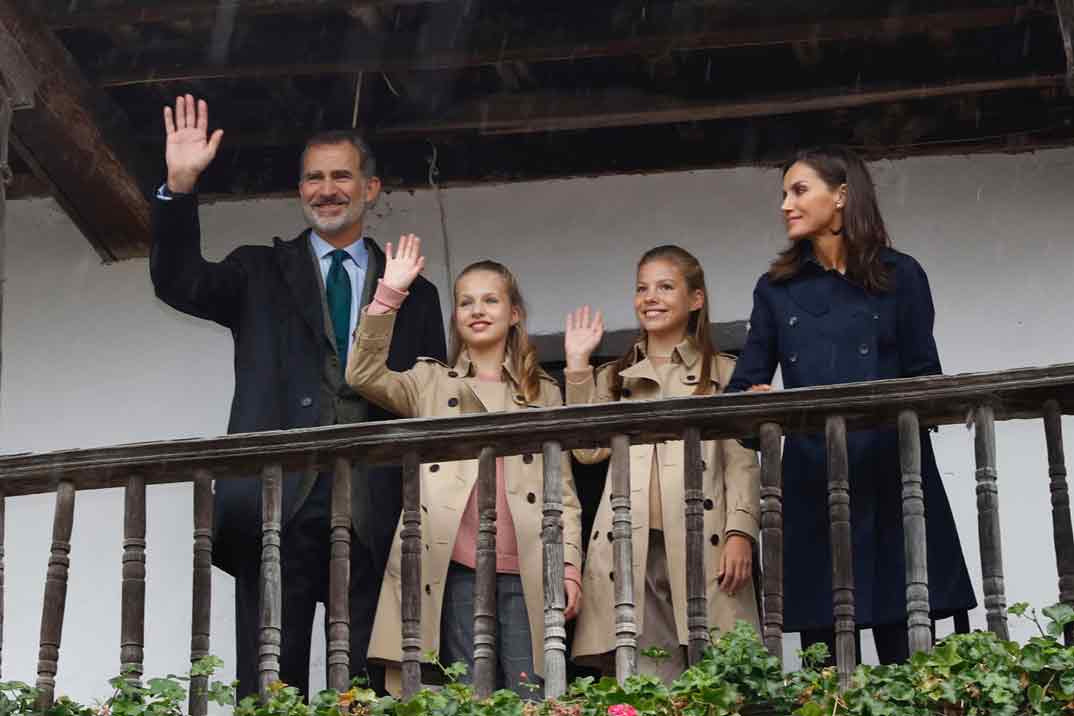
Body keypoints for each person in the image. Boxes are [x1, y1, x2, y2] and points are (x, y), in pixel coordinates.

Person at [150, 95, 446, 697]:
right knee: (269, 687)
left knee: (373, 691)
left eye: (341, 175)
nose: (326, 189)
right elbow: (179, 282)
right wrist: (178, 189)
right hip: (274, 507)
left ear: (371, 189)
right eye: (314, 177)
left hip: (377, 511)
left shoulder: (418, 292)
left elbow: (430, 400)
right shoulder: (259, 270)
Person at [727, 145, 976, 663]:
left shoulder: (900, 275)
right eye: (783, 194)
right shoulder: (776, 289)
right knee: (828, 655)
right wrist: (759, 406)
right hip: (813, 481)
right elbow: (741, 394)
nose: (785, 206)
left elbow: (926, 376)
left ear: (841, 195)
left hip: (894, 477)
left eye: (799, 191)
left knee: (906, 651)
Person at [345, 237, 583, 697]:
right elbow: (362, 375)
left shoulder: (543, 393)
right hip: (451, 565)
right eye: (466, 302)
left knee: (530, 693)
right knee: (463, 695)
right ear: (454, 315)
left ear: (514, 313)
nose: (478, 310)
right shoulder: (430, 382)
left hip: (526, 567)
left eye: (491, 300)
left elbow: (564, 494)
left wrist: (569, 565)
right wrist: (388, 295)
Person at [562, 245, 761, 683]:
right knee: (651, 684)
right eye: (642, 288)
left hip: (707, 544)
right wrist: (577, 365)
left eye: (665, 287)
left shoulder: (724, 372)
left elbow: (741, 461)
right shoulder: (614, 377)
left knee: (723, 681)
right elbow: (585, 449)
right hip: (632, 549)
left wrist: (741, 531)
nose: (650, 297)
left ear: (695, 299)